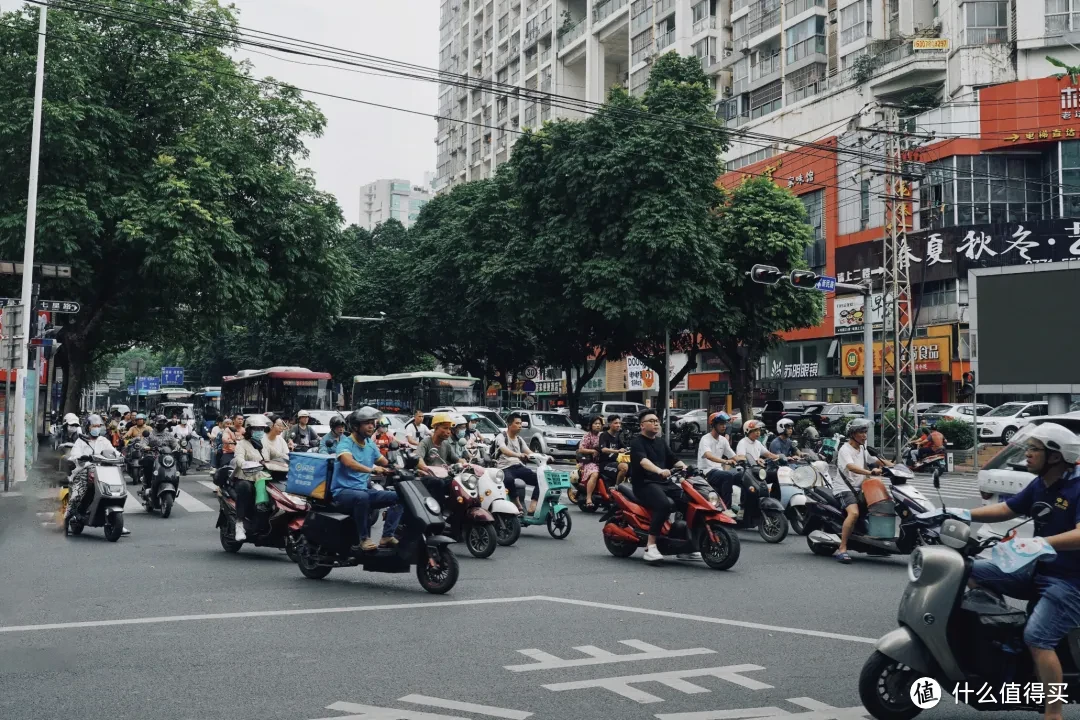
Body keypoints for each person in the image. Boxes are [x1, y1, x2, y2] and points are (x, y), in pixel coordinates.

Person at [967, 423, 1080, 720]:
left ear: (1054, 456)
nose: (1027, 455)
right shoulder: (1041, 483)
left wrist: (1040, 542)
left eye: (1034, 449)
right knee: (970, 570)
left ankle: (1053, 712)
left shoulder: (1078, 487)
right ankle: (1007, 635)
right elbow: (1007, 510)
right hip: (1039, 572)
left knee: (1038, 638)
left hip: (1070, 581)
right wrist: (962, 514)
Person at [630, 409, 698, 563]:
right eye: (651, 421)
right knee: (663, 505)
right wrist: (659, 470)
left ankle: (685, 545)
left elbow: (674, 459)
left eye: (657, 421)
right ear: (642, 425)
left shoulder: (660, 442)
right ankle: (651, 546)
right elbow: (643, 461)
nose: (655, 423)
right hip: (644, 484)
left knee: (688, 502)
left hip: (664, 483)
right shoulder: (637, 443)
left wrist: (687, 468)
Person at [331, 407, 403, 553]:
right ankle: (364, 539)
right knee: (362, 497)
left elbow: (384, 461)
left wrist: (400, 466)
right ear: (356, 426)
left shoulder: (370, 444)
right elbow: (348, 462)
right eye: (367, 423)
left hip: (363, 490)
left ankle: (387, 536)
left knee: (401, 497)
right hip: (343, 492)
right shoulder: (345, 444)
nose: (372, 426)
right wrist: (371, 469)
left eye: (372, 422)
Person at [833, 417, 893, 564]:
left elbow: (875, 460)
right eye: (861, 432)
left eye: (865, 432)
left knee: (883, 504)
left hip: (861, 488)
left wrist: (893, 465)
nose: (865, 435)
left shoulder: (862, 448)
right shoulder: (845, 450)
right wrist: (870, 472)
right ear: (853, 434)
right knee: (854, 513)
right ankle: (842, 548)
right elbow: (851, 467)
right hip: (845, 489)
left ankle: (876, 543)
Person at [64, 414, 130, 536]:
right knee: (77, 495)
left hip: (103, 470)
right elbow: (74, 455)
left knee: (115, 491)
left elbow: (113, 452)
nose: (97, 428)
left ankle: (115, 520)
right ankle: (66, 518)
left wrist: (122, 457)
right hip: (85, 471)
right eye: (94, 426)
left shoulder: (103, 440)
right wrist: (81, 457)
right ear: (88, 427)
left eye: (99, 426)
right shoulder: (81, 441)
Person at [495, 413, 548, 514]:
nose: (520, 426)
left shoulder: (519, 439)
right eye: (517, 423)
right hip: (504, 467)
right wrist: (518, 455)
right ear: (509, 424)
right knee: (509, 480)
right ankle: (516, 502)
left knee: (541, 479)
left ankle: (533, 503)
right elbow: (504, 450)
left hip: (518, 467)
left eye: (521, 423)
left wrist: (545, 457)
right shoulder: (501, 437)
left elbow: (530, 452)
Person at [231, 414, 272, 542]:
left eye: (261, 429)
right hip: (245, 477)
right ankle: (239, 524)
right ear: (249, 430)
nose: (259, 432)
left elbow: (279, 455)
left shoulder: (265, 443)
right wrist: (244, 464)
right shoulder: (242, 444)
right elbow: (239, 458)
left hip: (263, 477)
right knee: (245, 488)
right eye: (256, 429)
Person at [697, 412, 743, 517]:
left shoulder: (723, 440)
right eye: (721, 424)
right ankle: (727, 509)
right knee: (727, 475)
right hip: (707, 472)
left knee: (741, 475)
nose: (724, 426)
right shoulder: (705, 439)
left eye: (725, 424)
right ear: (713, 425)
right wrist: (725, 461)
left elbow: (733, 456)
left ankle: (743, 506)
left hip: (719, 471)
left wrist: (752, 461)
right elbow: (709, 455)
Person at [578, 416, 603, 510]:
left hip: (602, 461)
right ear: (591, 425)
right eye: (595, 423)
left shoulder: (602, 436)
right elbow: (581, 449)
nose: (597, 425)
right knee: (595, 474)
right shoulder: (587, 436)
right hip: (589, 462)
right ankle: (589, 497)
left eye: (599, 424)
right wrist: (592, 451)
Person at [598, 415, 629, 486]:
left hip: (615, 463)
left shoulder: (617, 436)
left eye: (619, 423)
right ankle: (617, 487)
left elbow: (625, 448)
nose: (618, 425)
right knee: (624, 467)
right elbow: (603, 449)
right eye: (615, 423)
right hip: (605, 465)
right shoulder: (604, 435)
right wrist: (617, 451)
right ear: (609, 424)